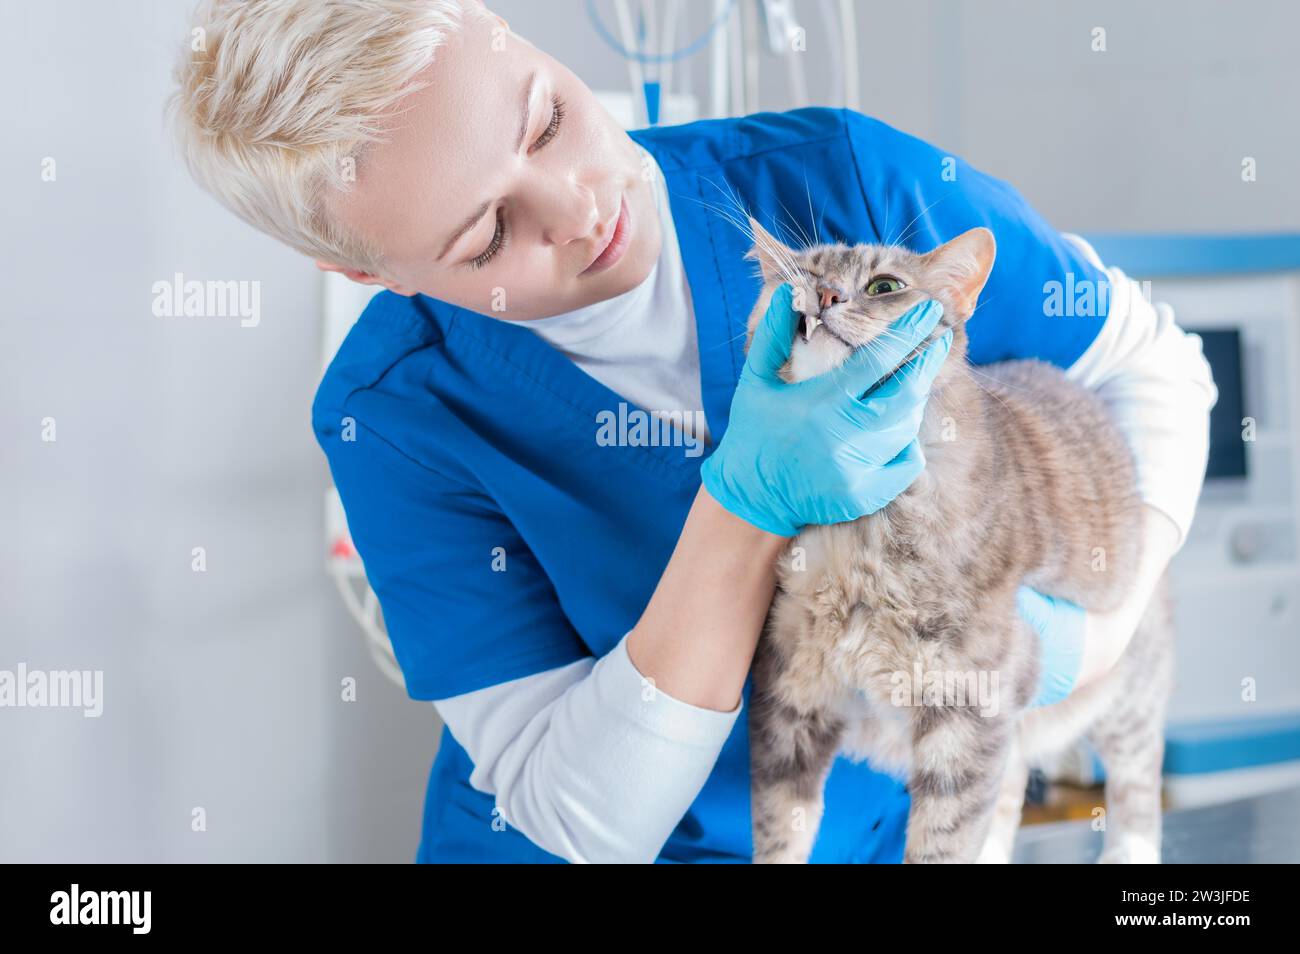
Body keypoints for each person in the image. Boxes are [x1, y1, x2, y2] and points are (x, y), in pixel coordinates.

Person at [167, 0, 1217, 863]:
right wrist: (746, 507)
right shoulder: (394, 413)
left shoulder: (845, 181)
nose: (576, 208)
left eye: (545, 121)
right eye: (487, 233)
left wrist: (1111, 626)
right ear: (371, 273)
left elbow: (1145, 360)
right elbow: (582, 820)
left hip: (871, 827)